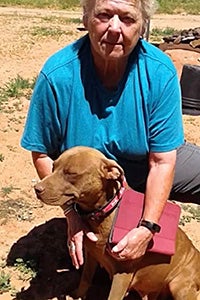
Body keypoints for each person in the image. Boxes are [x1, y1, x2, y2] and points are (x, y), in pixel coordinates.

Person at [21, 0, 200, 271]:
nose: (114, 28)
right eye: (104, 15)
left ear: (142, 25)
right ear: (86, 18)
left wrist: (148, 226)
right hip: (86, 181)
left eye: (127, 19)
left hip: (144, 165)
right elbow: (43, 151)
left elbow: (162, 161)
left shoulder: (158, 71)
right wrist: (71, 213)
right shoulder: (58, 74)